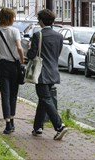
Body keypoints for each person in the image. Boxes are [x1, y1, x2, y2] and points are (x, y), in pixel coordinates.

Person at [28, 9, 68, 140]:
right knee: (43, 99)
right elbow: (57, 53)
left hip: (41, 73)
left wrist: (28, 50)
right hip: (53, 72)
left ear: (41, 21)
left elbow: (32, 55)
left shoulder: (37, 35)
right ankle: (37, 127)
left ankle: (59, 126)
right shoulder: (59, 36)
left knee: (45, 99)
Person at [0, 7, 24, 134]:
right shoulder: (14, 31)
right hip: (14, 66)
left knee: (5, 94)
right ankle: (13, 119)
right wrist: (21, 60)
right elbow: (19, 48)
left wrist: (0, 55)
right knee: (13, 94)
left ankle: (8, 123)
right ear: (9, 18)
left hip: (2, 66)